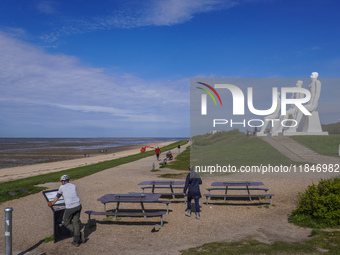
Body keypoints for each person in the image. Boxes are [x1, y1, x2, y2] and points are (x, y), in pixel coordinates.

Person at [49, 175, 83, 247]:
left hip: (70, 207)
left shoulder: (62, 187)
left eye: (61, 181)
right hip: (78, 205)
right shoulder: (74, 185)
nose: (61, 183)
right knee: (76, 222)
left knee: (65, 222)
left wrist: (52, 203)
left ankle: (78, 234)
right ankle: (76, 241)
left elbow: (57, 196)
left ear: (63, 181)